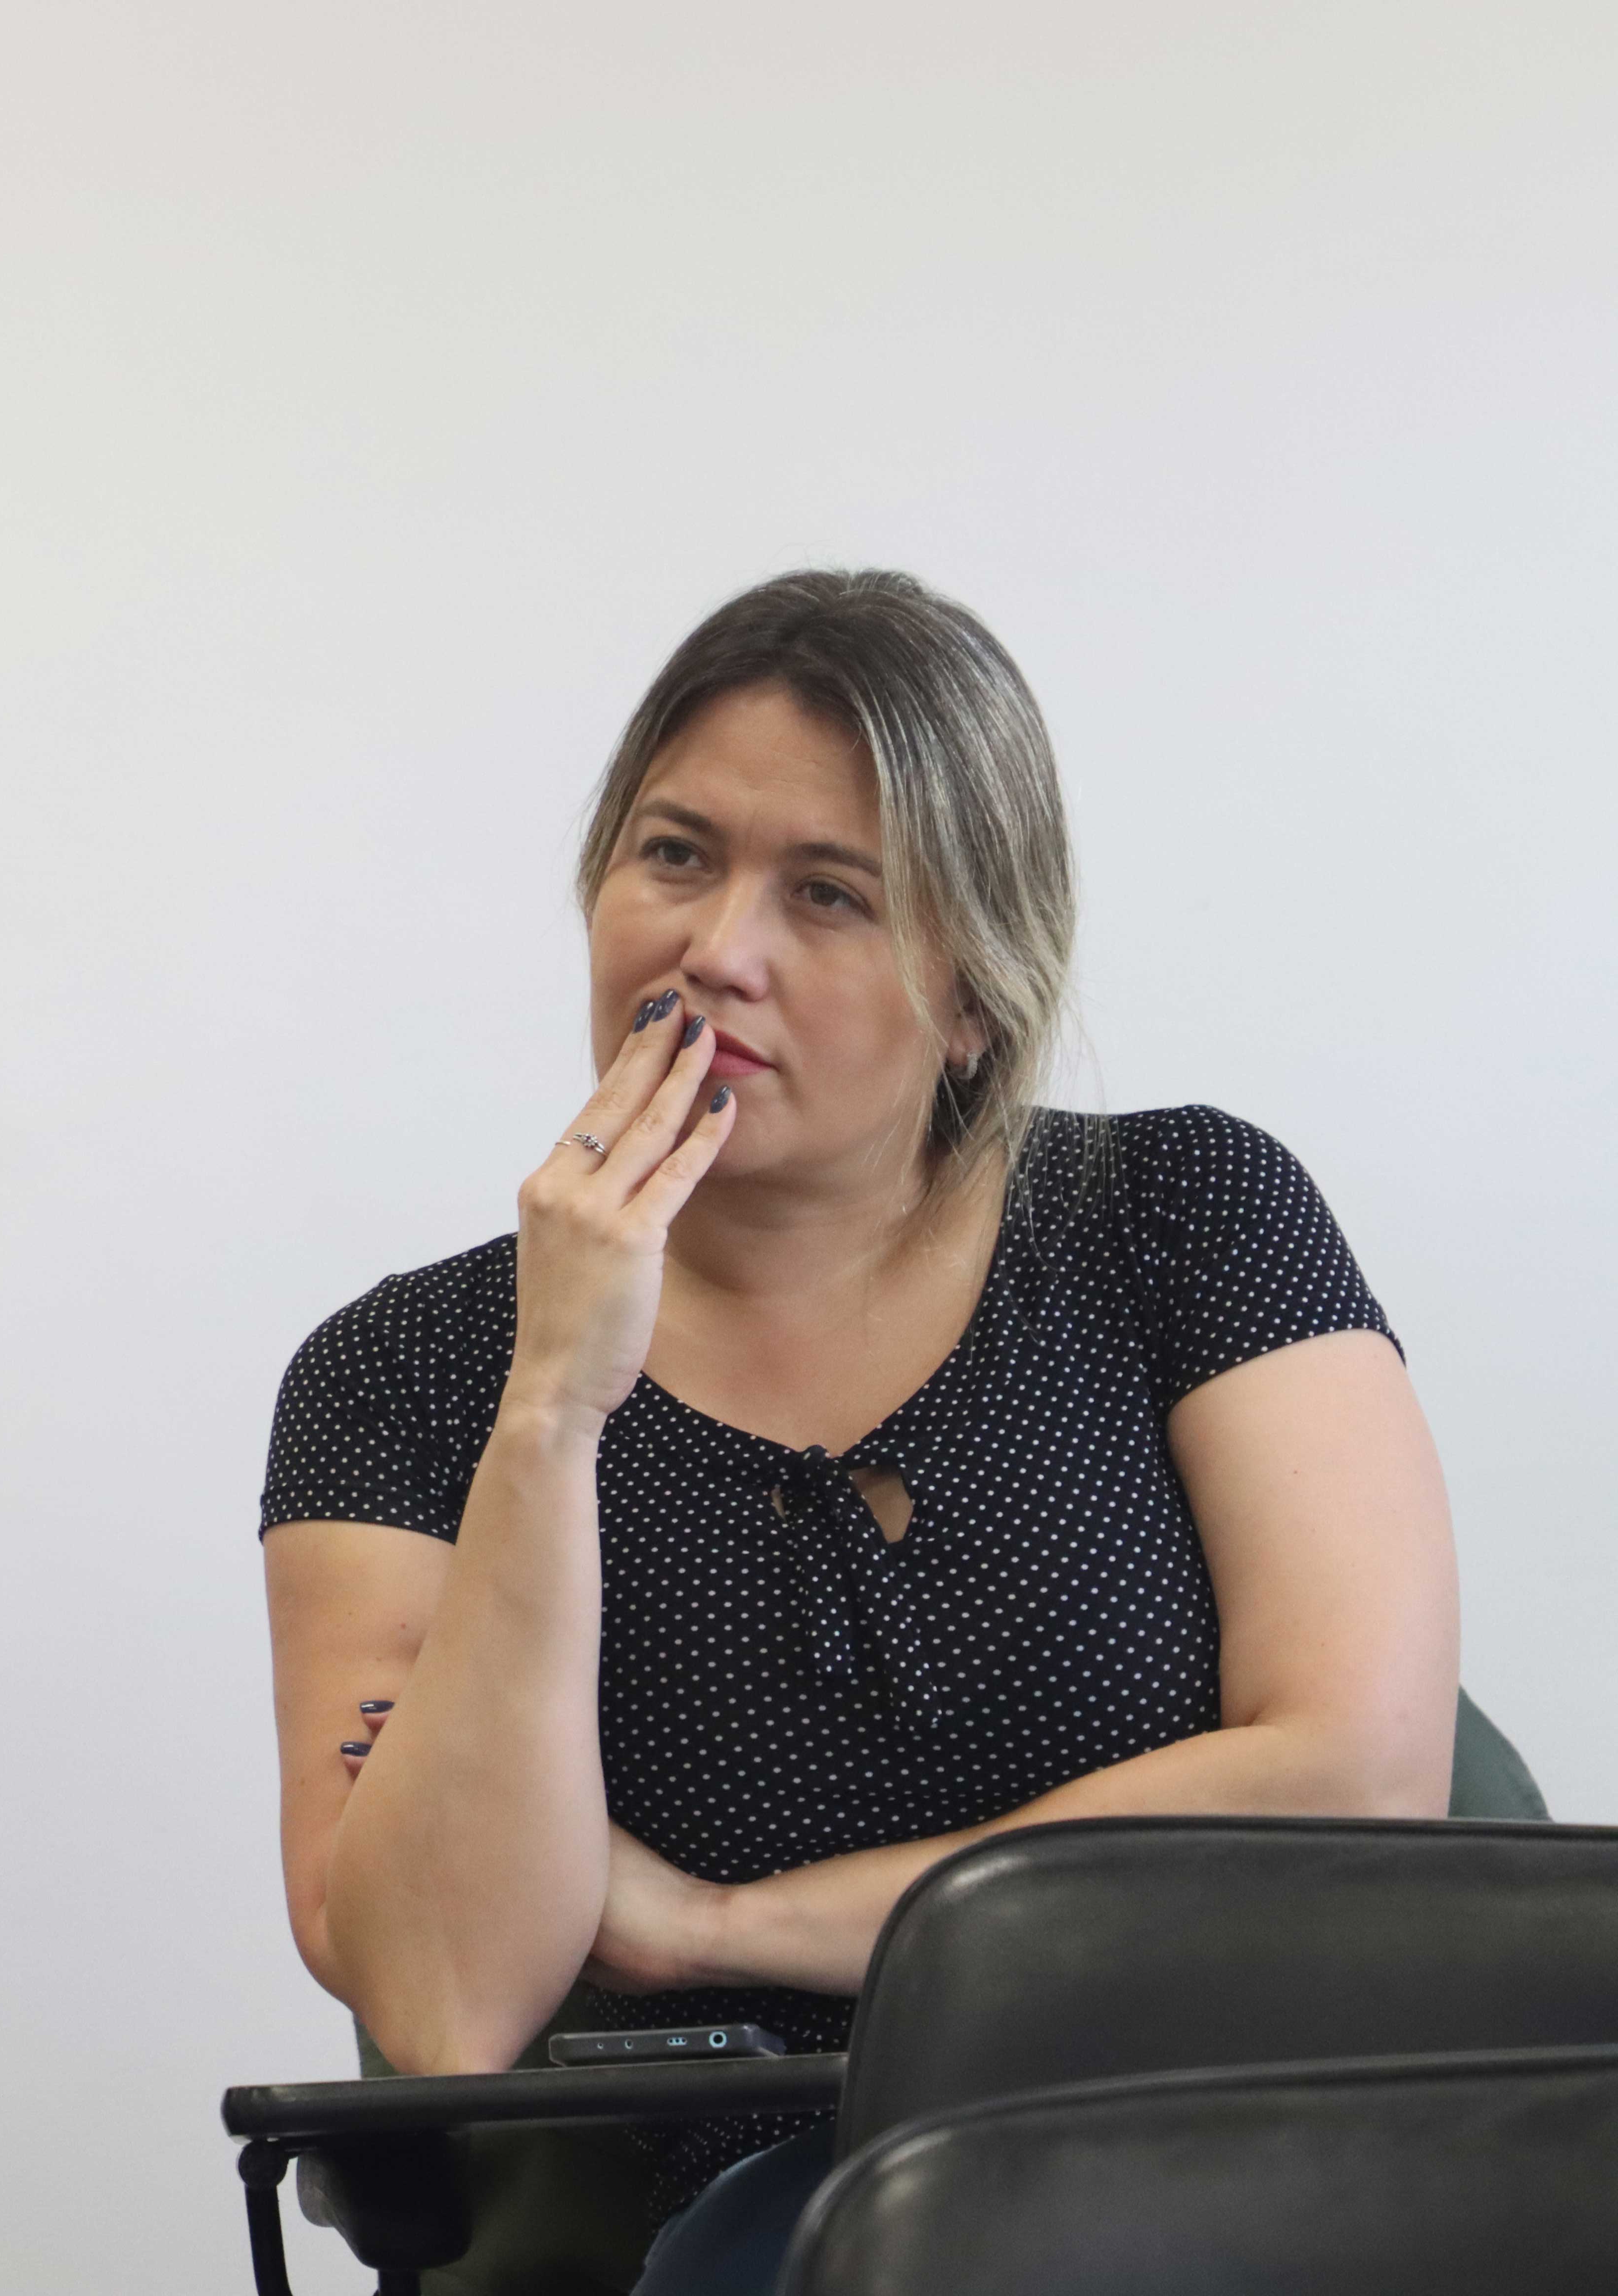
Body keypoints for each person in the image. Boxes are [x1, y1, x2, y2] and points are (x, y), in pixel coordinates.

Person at [257, 571, 1458, 2294]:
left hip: (1231, 2135)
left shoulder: (1184, 1214)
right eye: (675, 855)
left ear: (973, 995)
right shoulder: (406, 1376)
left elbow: (1359, 1786)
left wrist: (718, 1929)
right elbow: (445, 2002)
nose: (715, 951)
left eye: (829, 895)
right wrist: (554, 1407)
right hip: (799, 2214)